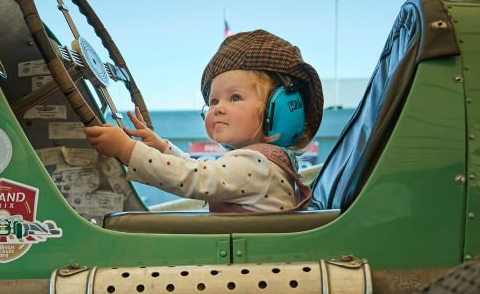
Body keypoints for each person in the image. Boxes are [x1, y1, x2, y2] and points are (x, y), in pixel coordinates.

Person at [84, 30, 323, 212]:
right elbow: (204, 171)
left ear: (282, 110)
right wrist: (162, 147)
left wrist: (127, 149)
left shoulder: (256, 165)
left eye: (235, 97)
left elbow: (192, 177)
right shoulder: (262, 162)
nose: (218, 109)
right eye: (214, 101)